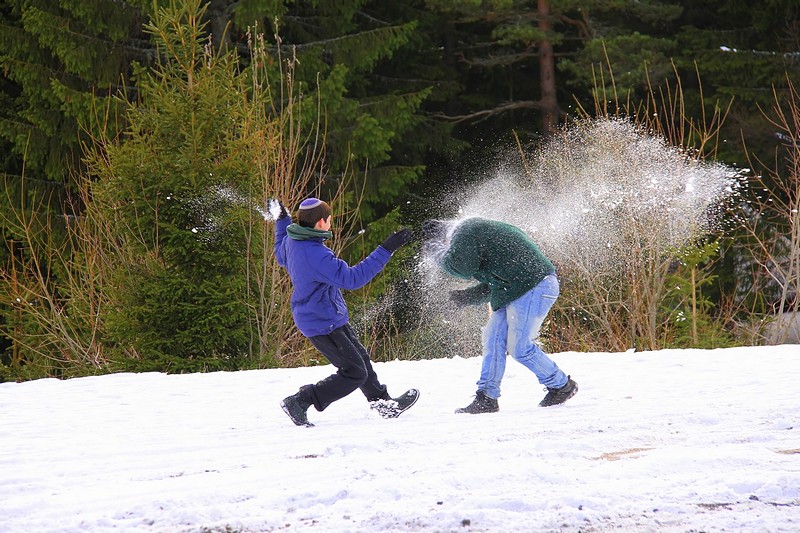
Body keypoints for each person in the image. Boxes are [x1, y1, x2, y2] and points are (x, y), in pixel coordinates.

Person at [271, 197, 419, 427]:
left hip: (327, 316)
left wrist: (282, 219)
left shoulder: (294, 240)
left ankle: (383, 403)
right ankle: (301, 400)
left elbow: (280, 250)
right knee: (354, 372)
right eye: (329, 220)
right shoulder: (316, 255)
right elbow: (352, 279)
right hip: (321, 322)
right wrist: (386, 249)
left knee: (361, 360)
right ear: (321, 223)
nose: (331, 224)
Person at [423, 216, 577, 414]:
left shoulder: (464, 231)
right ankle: (487, 398)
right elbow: (495, 281)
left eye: (446, 249)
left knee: (520, 348)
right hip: (514, 288)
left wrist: (435, 252)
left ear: (445, 241)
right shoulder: (473, 233)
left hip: (534, 286)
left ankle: (561, 385)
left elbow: (460, 267)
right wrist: (464, 298)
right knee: (493, 339)